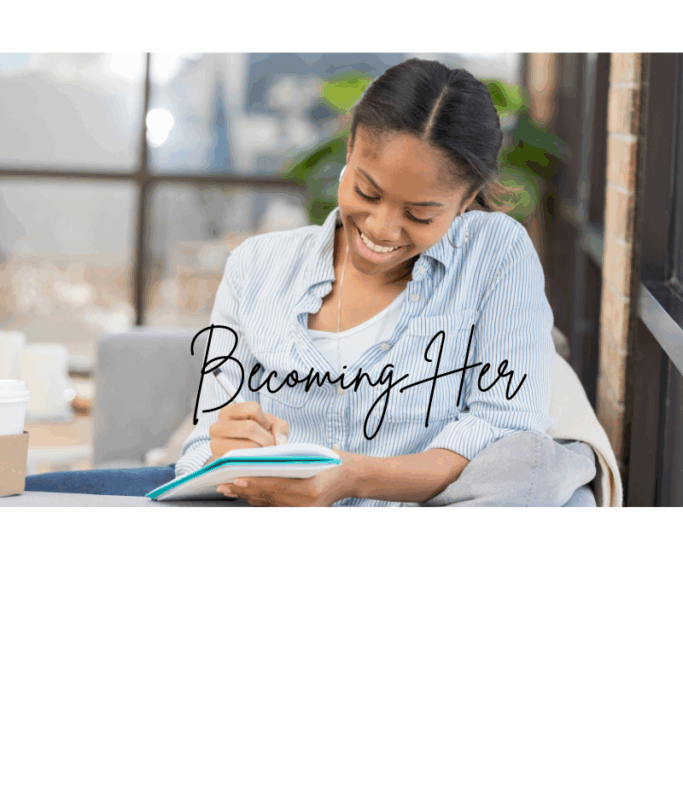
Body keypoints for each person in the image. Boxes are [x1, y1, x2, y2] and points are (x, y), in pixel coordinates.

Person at [27, 59, 597, 505]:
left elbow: (505, 429)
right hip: (258, 517)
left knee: (532, 465)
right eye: (367, 192)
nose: (380, 229)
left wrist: (353, 478)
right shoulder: (258, 265)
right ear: (349, 149)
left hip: (407, 518)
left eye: (420, 214)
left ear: (468, 199)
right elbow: (205, 438)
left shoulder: (495, 255)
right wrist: (224, 446)